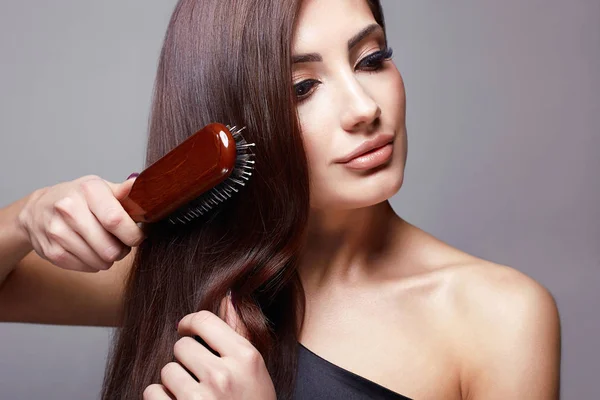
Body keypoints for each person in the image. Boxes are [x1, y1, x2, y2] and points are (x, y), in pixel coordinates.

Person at [0, 0, 561, 399]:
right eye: (301, 88)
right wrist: (28, 216)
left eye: (371, 59)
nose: (364, 108)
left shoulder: (499, 318)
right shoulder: (190, 272)